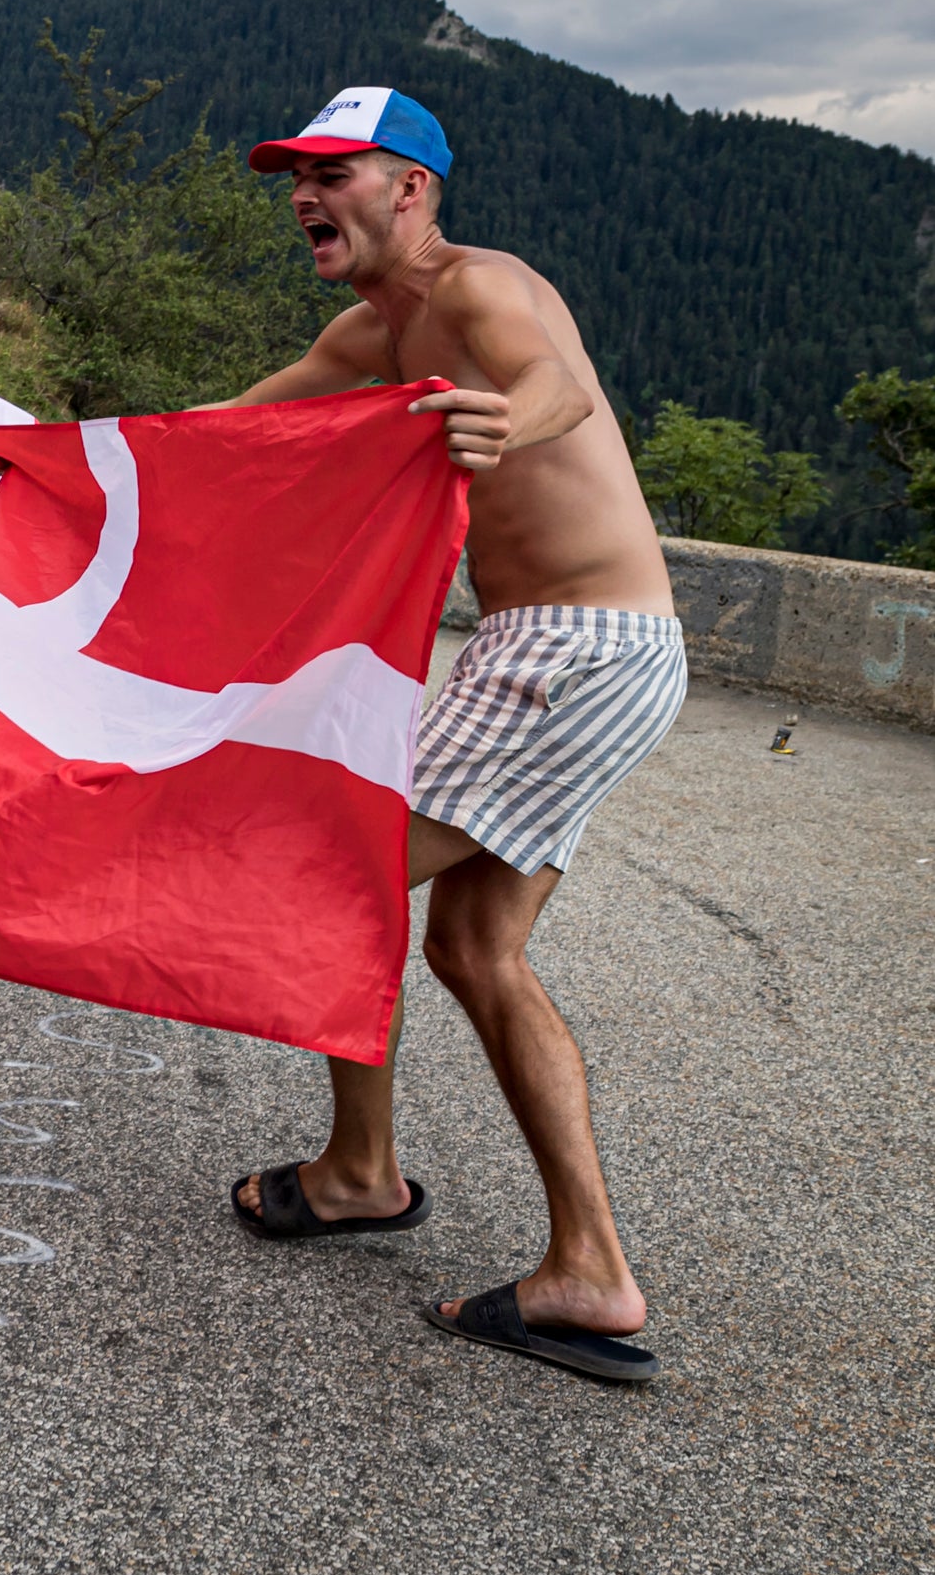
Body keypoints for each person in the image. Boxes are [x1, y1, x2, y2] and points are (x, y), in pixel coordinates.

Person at [212, 86, 683, 1384]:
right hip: (581, 653)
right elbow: (237, 433)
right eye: (295, 174)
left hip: (575, 653)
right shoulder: (376, 327)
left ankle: (361, 1172)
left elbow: (560, 386)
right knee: (475, 946)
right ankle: (589, 1271)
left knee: (328, 876)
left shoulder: (479, 287)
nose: (306, 192)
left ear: (411, 187)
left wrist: (506, 420)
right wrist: (67, 469)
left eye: (335, 170)